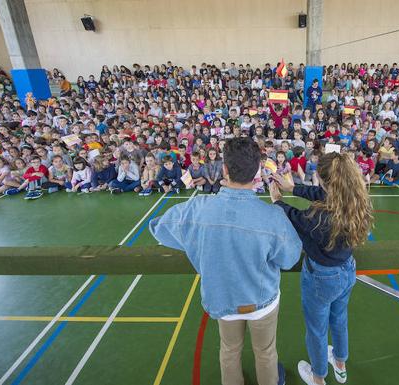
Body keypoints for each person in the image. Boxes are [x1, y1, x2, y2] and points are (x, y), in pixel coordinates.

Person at [149, 137, 302, 385]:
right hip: (261, 301)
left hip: (222, 300)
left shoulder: (196, 209)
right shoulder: (272, 217)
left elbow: (159, 228)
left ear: (225, 170)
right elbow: (290, 257)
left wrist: (194, 241)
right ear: (257, 175)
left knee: (229, 352)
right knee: (265, 352)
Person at [270, 152, 373, 385]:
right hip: (347, 269)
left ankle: (318, 378)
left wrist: (277, 201)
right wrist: (293, 188)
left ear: (324, 180)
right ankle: (340, 364)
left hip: (322, 278)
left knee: (316, 330)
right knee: (339, 318)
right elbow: (323, 195)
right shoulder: (356, 197)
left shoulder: (318, 218)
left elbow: (295, 218)